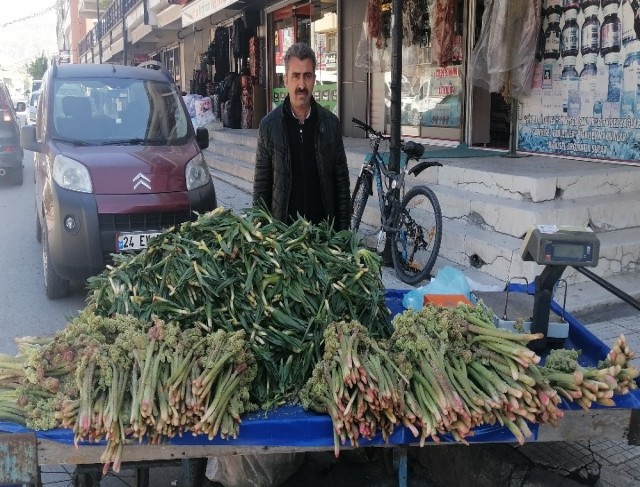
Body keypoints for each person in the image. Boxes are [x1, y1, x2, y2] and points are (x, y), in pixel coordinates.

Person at [253, 42, 351, 231]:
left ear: (314, 79)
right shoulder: (269, 126)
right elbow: (261, 188)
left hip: (323, 236)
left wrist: (344, 233)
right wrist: (261, 237)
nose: (301, 85)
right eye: (296, 76)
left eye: (307, 76)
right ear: (285, 80)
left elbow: (341, 185)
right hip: (285, 240)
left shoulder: (330, 124)